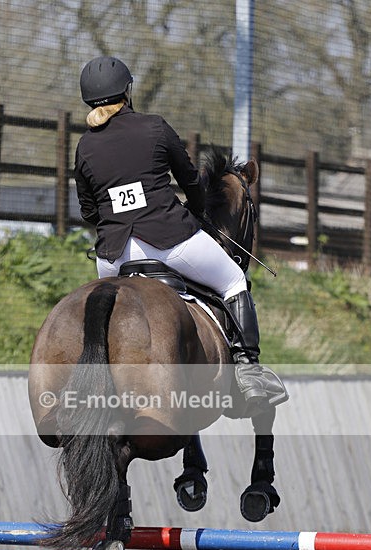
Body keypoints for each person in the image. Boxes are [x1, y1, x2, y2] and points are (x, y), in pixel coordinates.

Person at [74, 56, 287, 412]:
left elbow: (88, 210)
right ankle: (249, 371)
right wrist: (198, 213)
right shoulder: (154, 127)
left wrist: (115, 220)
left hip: (114, 257)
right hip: (169, 241)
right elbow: (190, 181)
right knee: (235, 281)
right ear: (127, 91)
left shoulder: (85, 146)